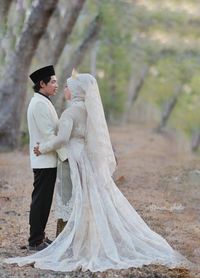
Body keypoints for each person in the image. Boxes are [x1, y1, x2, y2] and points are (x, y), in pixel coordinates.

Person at [6, 71, 190, 271]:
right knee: (80, 199)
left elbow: (60, 138)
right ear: (42, 84)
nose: (62, 88)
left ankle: (63, 239)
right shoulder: (86, 109)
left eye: (66, 86)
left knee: (73, 200)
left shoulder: (69, 112)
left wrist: (42, 148)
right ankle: (47, 239)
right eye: (57, 83)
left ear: (76, 91)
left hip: (72, 158)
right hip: (77, 157)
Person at [26, 65, 70, 251]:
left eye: (56, 81)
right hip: (44, 160)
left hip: (47, 159)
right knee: (41, 201)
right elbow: (48, 135)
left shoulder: (44, 101)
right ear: (41, 84)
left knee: (43, 200)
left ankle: (39, 236)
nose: (56, 85)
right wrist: (68, 157)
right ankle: (35, 240)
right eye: (52, 81)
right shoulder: (39, 104)